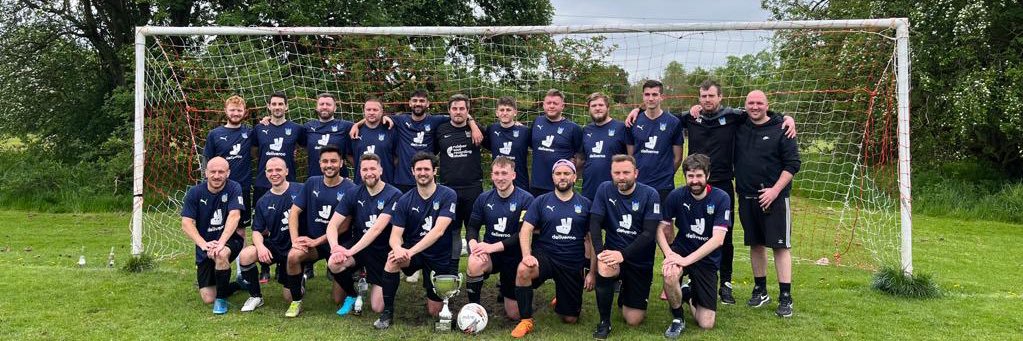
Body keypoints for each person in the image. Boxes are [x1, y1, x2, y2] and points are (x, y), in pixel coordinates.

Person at [625, 80, 797, 304]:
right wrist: (636, 110)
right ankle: (686, 276)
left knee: (723, 236)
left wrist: (786, 118)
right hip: (694, 184)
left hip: (722, 184)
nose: (707, 100)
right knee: (690, 232)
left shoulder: (735, 116)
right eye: (703, 96)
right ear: (699, 98)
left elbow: (761, 113)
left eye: (711, 96)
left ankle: (725, 283)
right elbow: (657, 113)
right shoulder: (689, 117)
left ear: (720, 97)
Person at [373, 152, 460, 329]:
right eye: (418, 169)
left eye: (426, 169)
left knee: (435, 311)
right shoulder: (405, 200)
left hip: (438, 255)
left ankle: (441, 304)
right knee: (392, 260)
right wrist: (397, 248)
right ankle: (387, 313)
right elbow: (395, 235)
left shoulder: (448, 195)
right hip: (413, 253)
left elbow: (438, 231)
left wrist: (409, 251)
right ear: (412, 171)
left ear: (434, 171)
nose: (422, 172)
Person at [510, 159, 595, 338]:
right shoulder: (541, 201)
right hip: (546, 256)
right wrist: (527, 255)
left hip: (572, 261)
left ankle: (563, 298)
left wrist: (592, 272)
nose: (562, 177)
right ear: (553, 177)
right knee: (523, 269)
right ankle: (526, 320)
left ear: (575, 177)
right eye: (558, 173)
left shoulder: (586, 204)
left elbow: (592, 240)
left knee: (570, 319)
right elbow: (526, 229)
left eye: (566, 173)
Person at [734, 90, 800, 317]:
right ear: (745, 105)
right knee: (756, 244)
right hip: (746, 196)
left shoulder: (782, 127)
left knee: (780, 246)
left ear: (767, 105)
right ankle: (760, 289)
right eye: (750, 102)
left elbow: (793, 165)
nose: (755, 107)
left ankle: (785, 296)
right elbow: (712, 110)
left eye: (759, 103)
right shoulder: (740, 123)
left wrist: (774, 191)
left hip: (774, 197)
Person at [350, 90, 482, 193]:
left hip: (427, 178)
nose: (418, 103)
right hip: (402, 180)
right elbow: (375, 117)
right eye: (415, 100)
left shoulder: (436, 121)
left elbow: (459, 115)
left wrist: (472, 124)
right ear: (410, 103)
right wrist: (357, 125)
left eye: (422, 101)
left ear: (427, 104)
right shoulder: (400, 120)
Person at [657, 154, 732, 338]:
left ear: (707, 175)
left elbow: (718, 240)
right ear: (685, 176)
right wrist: (669, 254)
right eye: (690, 176)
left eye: (699, 176)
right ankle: (677, 318)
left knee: (706, 323)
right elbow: (659, 229)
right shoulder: (676, 196)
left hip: (707, 257)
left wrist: (686, 260)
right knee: (670, 273)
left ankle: (687, 294)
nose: (695, 181)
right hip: (682, 250)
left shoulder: (721, 198)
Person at [588, 155, 661, 339]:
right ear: (611, 173)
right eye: (617, 173)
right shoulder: (604, 189)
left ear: (636, 173)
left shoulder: (651, 194)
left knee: (633, 320)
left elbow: (649, 233)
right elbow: (594, 224)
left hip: (640, 261)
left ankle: (624, 295)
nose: (621, 177)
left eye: (626, 172)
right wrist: (600, 253)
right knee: (604, 265)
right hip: (614, 257)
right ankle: (604, 322)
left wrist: (623, 254)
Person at [325, 153, 404, 317]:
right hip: (359, 248)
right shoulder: (353, 192)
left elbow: (375, 230)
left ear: (380, 170)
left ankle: (385, 280)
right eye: (365, 169)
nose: (369, 173)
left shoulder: (394, 194)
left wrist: (349, 251)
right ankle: (352, 295)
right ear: (359, 172)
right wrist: (335, 247)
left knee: (377, 307)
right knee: (334, 263)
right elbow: (332, 225)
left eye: (373, 168)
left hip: (382, 251)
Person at [282, 145, 356, 317]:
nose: (329, 165)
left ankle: (353, 283)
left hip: (338, 245)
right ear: (319, 163)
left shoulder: (350, 188)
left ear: (341, 163)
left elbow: (344, 225)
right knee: (293, 255)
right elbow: (294, 212)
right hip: (313, 245)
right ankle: (296, 301)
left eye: (333, 161)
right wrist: (295, 241)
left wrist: (317, 241)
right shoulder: (311, 183)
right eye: (325, 161)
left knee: (337, 299)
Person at [465, 156, 535, 320]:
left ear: (513, 175)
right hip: (492, 255)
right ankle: (475, 310)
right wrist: (473, 243)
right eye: (496, 173)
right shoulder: (484, 198)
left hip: (515, 256)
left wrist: (491, 246)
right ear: (492, 175)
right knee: (474, 262)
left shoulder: (526, 199)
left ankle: (512, 291)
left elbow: (521, 235)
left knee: (514, 315)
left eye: (504, 173)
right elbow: (472, 227)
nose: (500, 177)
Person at [236, 157, 303, 312]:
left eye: (278, 169)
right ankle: (255, 296)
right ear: (265, 174)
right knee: (246, 255)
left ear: (286, 171)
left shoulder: (300, 190)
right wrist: (260, 247)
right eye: (270, 170)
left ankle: (299, 279)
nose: (274, 173)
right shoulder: (263, 201)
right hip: (275, 244)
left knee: (290, 297)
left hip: (295, 246)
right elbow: (257, 230)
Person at [180, 157, 245, 314]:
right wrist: (203, 244)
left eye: (221, 172)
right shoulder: (195, 192)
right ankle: (238, 285)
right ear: (206, 173)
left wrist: (221, 243)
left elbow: (234, 216)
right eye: (213, 172)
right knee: (208, 297)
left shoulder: (234, 187)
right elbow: (186, 223)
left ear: (228, 173)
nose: (217, 175)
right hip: (206, 244)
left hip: (230, 240)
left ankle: (221, 301)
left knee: (221, 255)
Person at [252, 91, 305, 283]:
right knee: (264, 225)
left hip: (288, 185)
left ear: (286, 106)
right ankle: (264, 266)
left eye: (280, 104)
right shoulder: (259, 128)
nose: (277, 107)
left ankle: (292, 262)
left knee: (290, 221)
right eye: (273, 104)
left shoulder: (297, 129)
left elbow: (305, 145)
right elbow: (254, 149)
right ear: (269, 106)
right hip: (262, 183)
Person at [435, 94, 484, 264]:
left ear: (468, 111)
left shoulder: (477, 129)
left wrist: (473, 124)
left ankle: (475, 266)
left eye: (462, 108)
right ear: (449, 110)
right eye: (454, 108)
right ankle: (453, 271)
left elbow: (501, 138)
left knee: (473, 230)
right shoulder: (440, 129)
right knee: (453, 231)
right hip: (449, 190)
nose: (458, 112)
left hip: (473, 189)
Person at [625, 80, 683, 204]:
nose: (651, 98)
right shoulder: (633, 121)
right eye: (647, 94)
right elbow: (631, 156)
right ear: (643, 96)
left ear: (662, 97)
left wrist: (666, 174)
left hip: (663, 185)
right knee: (637, 220)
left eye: (655, 94)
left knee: (665, 222)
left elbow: (678, 158)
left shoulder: (673, 122)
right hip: (639, 183)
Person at [529, 89, 583, 197]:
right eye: (549, 103)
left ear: (562, 106)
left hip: (560, 186)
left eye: (555, 103)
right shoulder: (537, 122)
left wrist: (572, 177)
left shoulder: (573, 128)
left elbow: (581, 158)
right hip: (536, 185)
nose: (552, 106)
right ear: (543, 105)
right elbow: (530, 143)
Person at [579, 92, 629, 201]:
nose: (597, 108)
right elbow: (581, 159)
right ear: (589, 109)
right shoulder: (586, 130)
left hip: (615, 190)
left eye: (601, 105)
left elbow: (631, 157)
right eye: (593, 106)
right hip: (589, 190)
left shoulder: (621, 128)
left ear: (608, 107)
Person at [482, 96, 532, 190]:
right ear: (497, 112)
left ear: (515, 112)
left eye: (508, 110)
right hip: (499, 183)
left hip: (520, 184)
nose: (505, 113)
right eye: (502, 110)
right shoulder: (491, 129)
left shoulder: (524, 131)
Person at [304, 93, 353, 179]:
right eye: (321, 104)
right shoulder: (307, 127)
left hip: (340, 180)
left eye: (328, 104)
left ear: (335, 108)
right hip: (315, 180)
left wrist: (384, 118)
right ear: (316, 107)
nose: (325, 107)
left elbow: (368, 125)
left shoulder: (345, 126)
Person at [348, 97, 397, 185]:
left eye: (375, 110)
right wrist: (363, 166)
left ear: (381, 112)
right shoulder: (354, 131)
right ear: (364, 111)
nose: (371, 112)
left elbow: (397, 157)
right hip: (361, 183)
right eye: (368, 109)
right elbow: (348, 155)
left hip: (386, 183)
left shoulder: (390, 130)